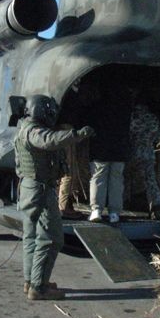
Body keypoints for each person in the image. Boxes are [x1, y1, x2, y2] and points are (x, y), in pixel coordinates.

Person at [14, 94, 94, 300]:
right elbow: (48, 141)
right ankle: (38, 287)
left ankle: (31, 281)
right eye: (48, 110)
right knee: (52, 238)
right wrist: (75, 135)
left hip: (30, 187)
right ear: (40, 111)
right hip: (40, 189)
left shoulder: (23, 127)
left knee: (31, 236)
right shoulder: (33, 130)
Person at [86, 83, 132, 223]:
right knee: (116, 180)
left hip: (100, 148)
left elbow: (89, 123)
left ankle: (96, 210)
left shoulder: (96, 106)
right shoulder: (126, 107)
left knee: (98, 177)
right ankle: (114, 213)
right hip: (119, 149)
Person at [57, 81, 91, 219]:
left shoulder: (63, 93)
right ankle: (64, 206)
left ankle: (66, 204)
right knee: (69, 171)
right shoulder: (71, 96)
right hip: (68, 130)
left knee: (68, 170)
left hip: (63, 130)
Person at [127, 100, 160, 220]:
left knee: (125, 177)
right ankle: (156, 207)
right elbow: (158, 138)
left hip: (132, 152)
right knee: (150, 180)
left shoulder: (132, 117)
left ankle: (124, 203)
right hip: (148, 153)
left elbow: (127, 134)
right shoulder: (153, 118)